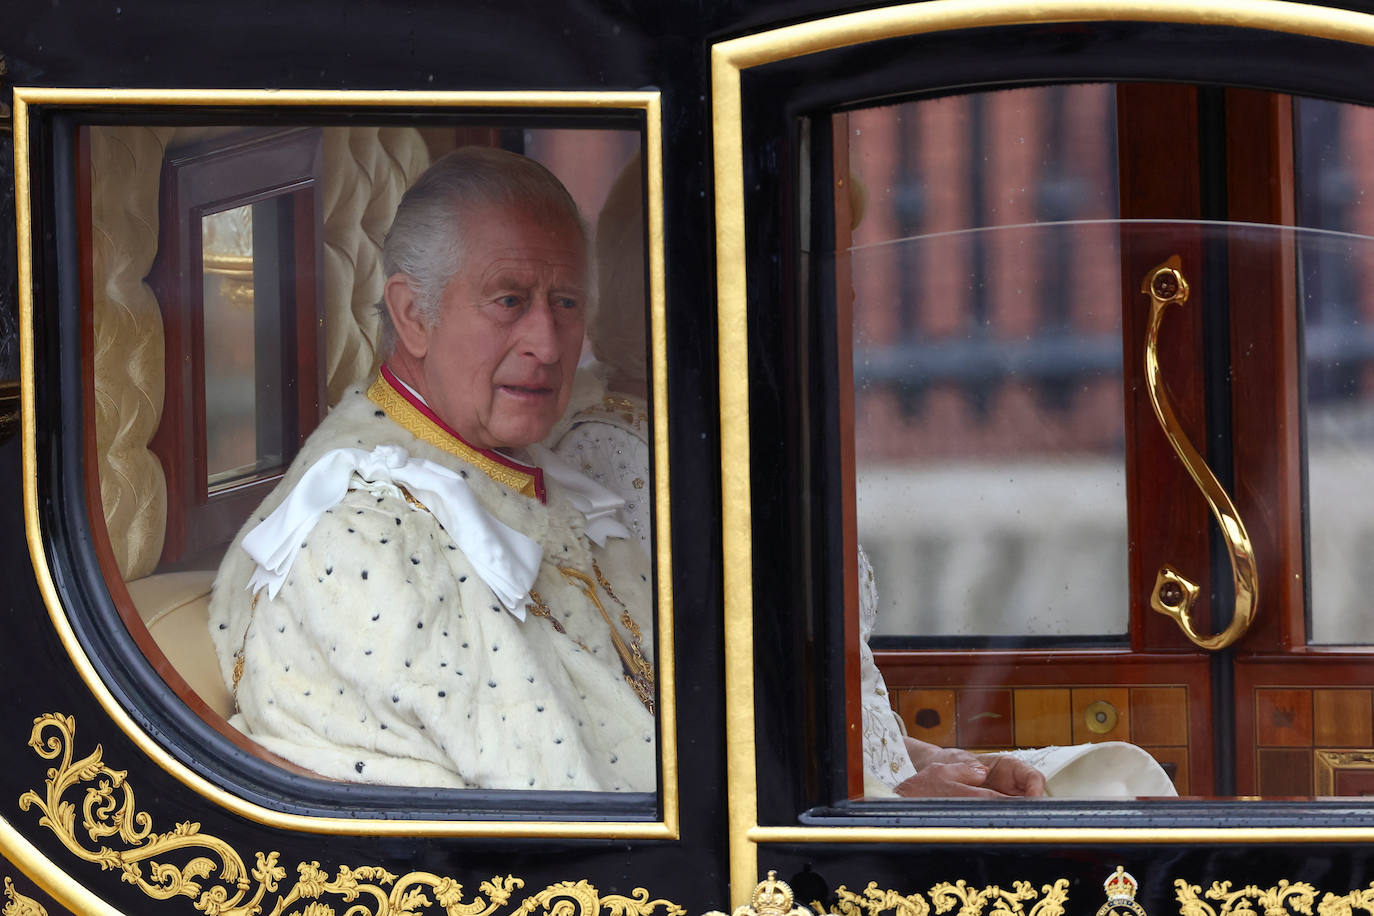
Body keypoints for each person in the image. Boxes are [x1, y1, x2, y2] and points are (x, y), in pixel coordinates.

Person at [208, 147, 656, 792]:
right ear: (414, 315)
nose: (548, 344)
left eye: (565, 303)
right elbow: (546, 819)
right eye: (509, 300)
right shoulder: (362, 540)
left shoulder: (525, 470)